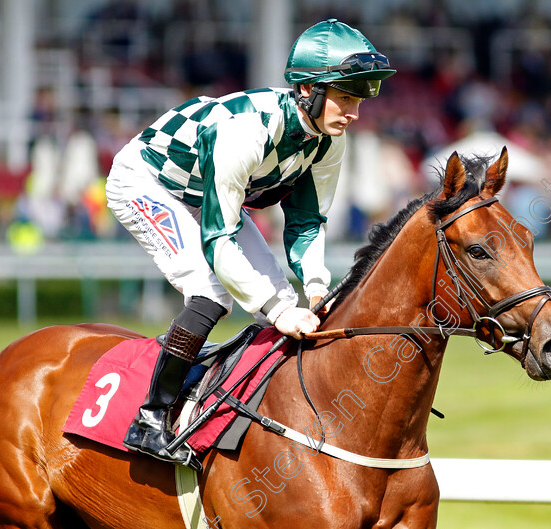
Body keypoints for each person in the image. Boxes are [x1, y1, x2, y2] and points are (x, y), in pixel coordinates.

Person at [105, 19, 395, 470]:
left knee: (286, 300)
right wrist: (279, 312)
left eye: (358, 99)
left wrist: (317, 291)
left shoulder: (327, 142)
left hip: (210, 196)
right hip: (148, 182)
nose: (354, 112)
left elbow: (307, 223)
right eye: (345, 97)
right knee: (211, 291)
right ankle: (151, 417)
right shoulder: (244, 131)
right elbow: (218, 241)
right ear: (309, 91)